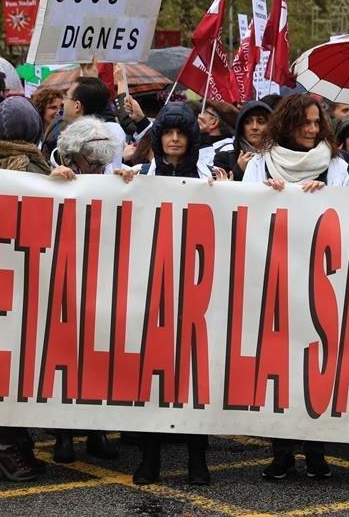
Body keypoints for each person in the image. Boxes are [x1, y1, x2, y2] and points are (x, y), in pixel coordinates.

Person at [243, 93, 347, 480]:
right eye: (305, 122)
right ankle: (282, 451)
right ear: (288, 123)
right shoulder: (259, 165)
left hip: (319, 279)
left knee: (316, 365)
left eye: (317, 122)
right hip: (274, 278)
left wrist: (331, 198)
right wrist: (260, 195)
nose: (312, 129)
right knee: (278, 365)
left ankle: (316, 451)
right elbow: (244, 213)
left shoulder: (334, 167)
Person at [124, 103, 212, 486]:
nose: (174, 139)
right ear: (158, 137)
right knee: (152, 377)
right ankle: (151, 457)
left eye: (181, 132)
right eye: (167, 132)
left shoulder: (210, 176)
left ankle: (197, 458)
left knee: (194, 379)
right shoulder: (140, 174)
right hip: (152, 292)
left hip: (197, 291)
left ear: (191, 138)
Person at [0, 96, 53, 481]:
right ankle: (7, 446)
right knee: (22, 364)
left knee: (10, 364)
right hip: (25, 279)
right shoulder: (30, 166)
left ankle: (14, 444)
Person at [60, 77, 123, 170]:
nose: (63, 102)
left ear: (77, 105)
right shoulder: (113, 131)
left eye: (67, 96)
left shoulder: (92, 139)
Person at [212, 100, 272, 181]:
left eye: (261, 122)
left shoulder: (278, 158)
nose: (254, 127)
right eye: (248, 122)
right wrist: (238, 170)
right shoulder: (224, 159)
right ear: (241, 127)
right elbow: (217, 191)